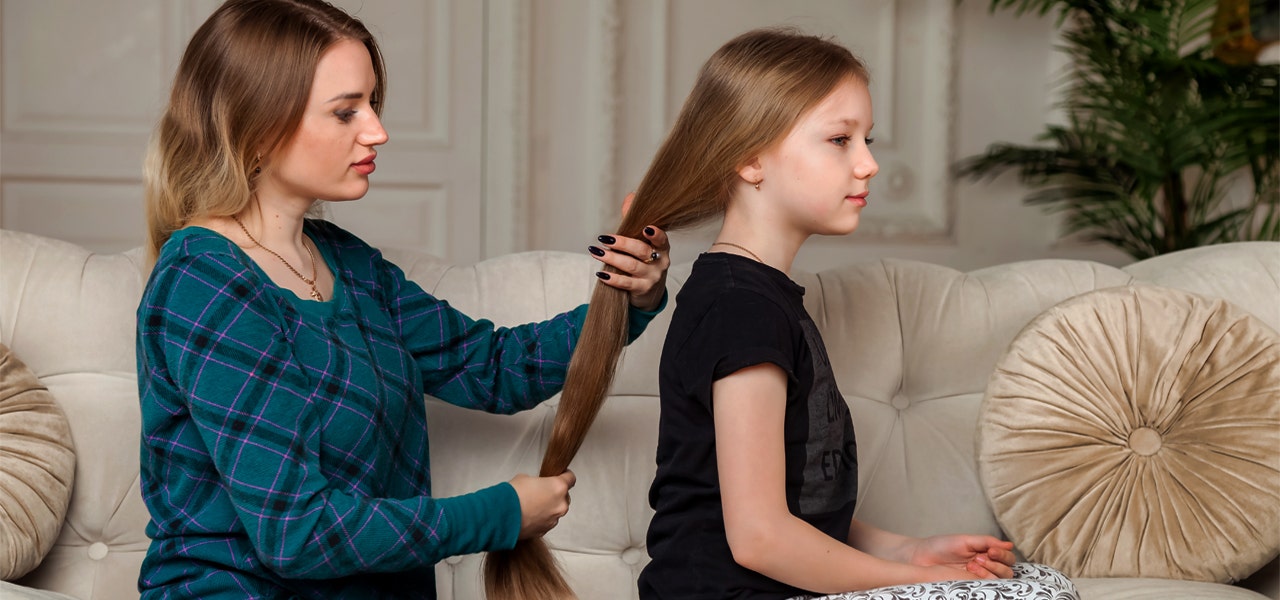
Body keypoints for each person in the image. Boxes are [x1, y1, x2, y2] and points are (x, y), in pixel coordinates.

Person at [134, 0, 669, 598]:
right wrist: (499, 515)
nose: (377, 131)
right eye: (345, 112)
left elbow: (493, 369)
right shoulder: (203, 280)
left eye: (372, 103)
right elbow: (296, 532)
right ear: (255, 126)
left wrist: (627, 299)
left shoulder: (347, 263)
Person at [587, 28, 1077, 599]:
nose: (868, 164)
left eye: (867, 140)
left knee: (1037, 581)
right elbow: (760, 539)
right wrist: (920, 581)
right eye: (841, 140)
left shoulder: (761, 296)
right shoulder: (739, 307)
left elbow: (798, 501)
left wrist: (909, 550)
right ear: (750, 159)